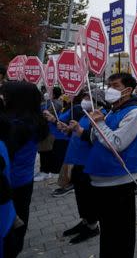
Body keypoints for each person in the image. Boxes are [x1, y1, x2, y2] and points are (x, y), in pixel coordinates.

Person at [83, 72, 137, 258]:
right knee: (108, 233)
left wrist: (99, 124)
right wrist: (95, 125)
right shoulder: (112, 110)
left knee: (120, 236)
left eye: (116, 85)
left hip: (118, 183)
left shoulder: (134, 112)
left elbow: (117, 144)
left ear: (129, 89)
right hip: (102, 181)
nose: (110, 90)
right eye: (109, 85)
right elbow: (97, 139)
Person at [0, 81, 48, 257]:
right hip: (23, 179)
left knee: (10, 226)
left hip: (11, 182)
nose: (2, 98)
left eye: (4, 95)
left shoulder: (19, 125)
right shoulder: (32, 119)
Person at [60, 88, 107, 244]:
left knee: (88, 196)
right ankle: (85, 221)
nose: (84, 99)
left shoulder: (102, 116)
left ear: (97, 101)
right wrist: (68, 129)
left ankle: (92, 226)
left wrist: (80, 131)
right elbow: (78, 133)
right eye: (85, 96)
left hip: (89, 163)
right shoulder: (85, 114)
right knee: (80, 195)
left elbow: (98, 139)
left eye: (88, 97)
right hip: (78, 161)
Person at [43, 91, 86, 197]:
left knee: (68, 162)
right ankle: (66, 182)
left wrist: (53, 119)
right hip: (60, 135)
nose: (65, 95)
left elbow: (70, 125)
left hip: (65, 138)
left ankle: (69, 184)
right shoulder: (67, 106)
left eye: (69, 93)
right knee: (65, 162)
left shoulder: (77, 108)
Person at [35, 86, 63, 182]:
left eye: (49, 92)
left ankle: (46, 172)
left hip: (50, 131)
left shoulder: (56, 104)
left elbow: (46, 115)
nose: (46, 94)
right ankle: (44, 170)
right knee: (43, 150)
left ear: (54, 94)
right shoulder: (49, 102)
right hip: (45, 130)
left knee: (46, 151)